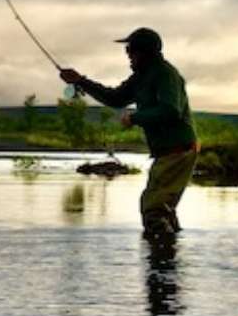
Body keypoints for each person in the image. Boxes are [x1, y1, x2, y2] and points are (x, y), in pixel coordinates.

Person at [59, 28, 198, 238]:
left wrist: (135, 118)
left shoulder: (165, 74)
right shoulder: (140, 77)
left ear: (143, 52)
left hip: (179, 150)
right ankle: (168, 252)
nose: (128, 55)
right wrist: (80, 81)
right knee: (161, 208)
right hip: (169, 152)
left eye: (130, 50)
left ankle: (161, 254)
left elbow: (171, 110)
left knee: (153, 208)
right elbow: (115, 98)